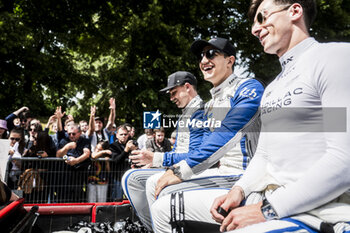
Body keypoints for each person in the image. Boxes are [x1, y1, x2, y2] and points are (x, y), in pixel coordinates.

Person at [160, 1, 350, 232]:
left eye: (262, 18)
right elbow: (264, 155)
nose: (254, 29)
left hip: (316, 210)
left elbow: (344, 160)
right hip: (264, 197)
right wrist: (238, 191)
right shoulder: (272, 88)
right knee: (163, 208)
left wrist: (266, 210)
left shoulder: (334, 57)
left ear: (295, 11)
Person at [148, 37, 265, 233]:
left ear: (230, 60)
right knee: (153, 183)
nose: (203, 60)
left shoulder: (248, 87)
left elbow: (227, 133)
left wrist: (179, 170)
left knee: (162, 198)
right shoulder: (210, 103)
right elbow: (202, 147)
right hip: (224, 172)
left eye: (211, 53)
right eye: (201, 56)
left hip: (244, 174)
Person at [122, 71, 205, 230]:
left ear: (187, 87)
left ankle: (158, 228)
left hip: (193, 170)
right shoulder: (188, 112)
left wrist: (156, 158)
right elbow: (179, 151)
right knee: (131, 177)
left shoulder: (199, 112)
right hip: (180, 166)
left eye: (174, 92)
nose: (171, 97)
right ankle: (155, 227)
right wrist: (156, 164)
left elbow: (196, 155)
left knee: (139, 180)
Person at [56, 124, 91, 202]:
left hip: (79, 174)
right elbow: (58, 155)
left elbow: (87, 153)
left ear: (80, 133)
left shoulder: (84, 141)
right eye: (69, 134)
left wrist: (76, 161)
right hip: (65, 175)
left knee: (77, 196)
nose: (71, 136)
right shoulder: (64, 140)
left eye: (74, 134)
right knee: (63, 196)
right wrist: (66, 147)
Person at [109, 125, 137, 201]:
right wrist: (126, 150)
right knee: (117, 200)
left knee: (131, 200)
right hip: (117, 178)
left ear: (128, 135)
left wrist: (135, 149)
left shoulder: (132, 144)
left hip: (130, 177)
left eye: (125, 134)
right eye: (121, 134)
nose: (123, 136)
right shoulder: (113, 146)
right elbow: (116, 160)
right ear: (117, 135)